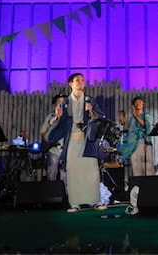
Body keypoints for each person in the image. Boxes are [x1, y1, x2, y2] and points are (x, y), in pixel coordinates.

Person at [46, 72, 108, 213]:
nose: (81, 82)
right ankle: (74, 203)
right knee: (73, 172)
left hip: (87, 141)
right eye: (78, 80)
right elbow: (57, 123)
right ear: (71, 84)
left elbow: (101, 118)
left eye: (82, 80)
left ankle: (95, 201)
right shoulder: (65, 103)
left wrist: (91, 112)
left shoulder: (90, 101)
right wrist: (58, 117)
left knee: (92, 171)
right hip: (72, 141)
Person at [40, 93, 67, 182]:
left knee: (65, 175)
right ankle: (51, 190)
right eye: (59, 102)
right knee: (52, 174)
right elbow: (43, 132)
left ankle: (65, 191)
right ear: (54, 105)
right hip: (54, 149)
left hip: (66, 150)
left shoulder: (70, 118)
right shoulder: (50, 118)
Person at [124, 96, 154, 176]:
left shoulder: (146, 115)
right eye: (136, 103)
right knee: (136, 168)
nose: (138, 104)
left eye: (140, 102)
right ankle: (138, 183)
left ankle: (149, 183)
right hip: (132, 144)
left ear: (143, 104)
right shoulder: (131, 118)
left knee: (148, 168)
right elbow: (127, 129)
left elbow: (146, 125)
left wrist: (136, 116)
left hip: (144, 142)